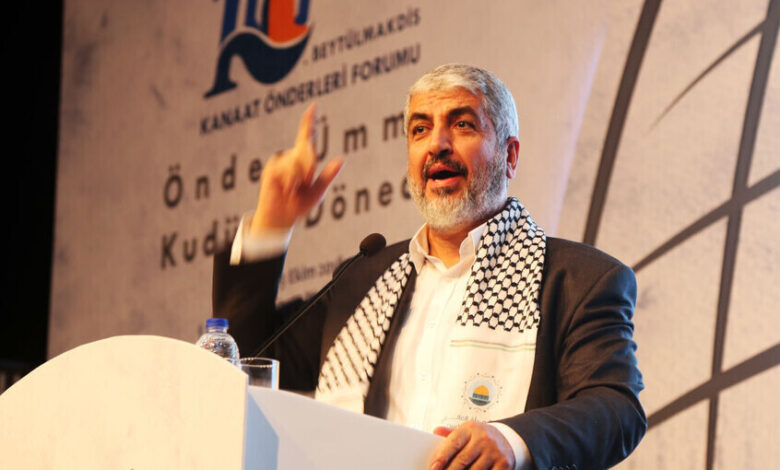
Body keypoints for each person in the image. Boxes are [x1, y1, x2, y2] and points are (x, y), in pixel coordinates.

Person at [213, 64, 646, 470]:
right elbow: (242, 355)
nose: (437, 144)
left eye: (462, 125)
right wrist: (271, 223)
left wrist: (513, 440)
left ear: (510, 155)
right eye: (420, 129)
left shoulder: (576, 281)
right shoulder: (365, 282)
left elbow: (616, 408)